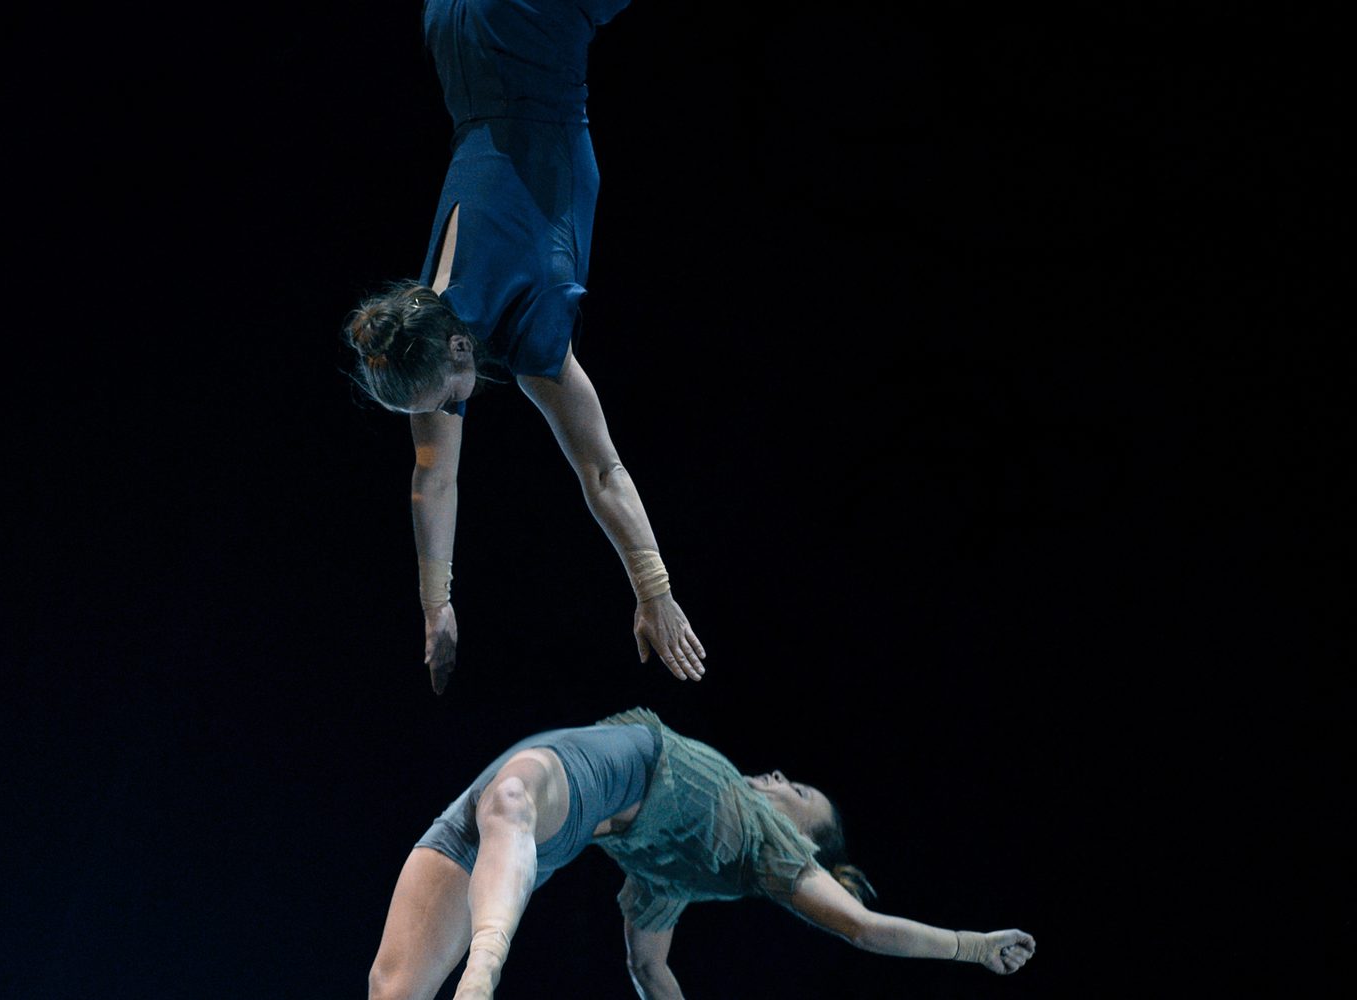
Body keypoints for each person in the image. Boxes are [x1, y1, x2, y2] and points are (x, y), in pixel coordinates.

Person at [343, 0, 705, 694]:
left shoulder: (528, 327)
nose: (450, 412)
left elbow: (601, 470)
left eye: (447, 400)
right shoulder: (422, 316)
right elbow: (431, 477)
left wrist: (653, 587)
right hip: (457, 36)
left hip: (528, 33)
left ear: (458, 351)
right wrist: (435, 605)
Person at [367, 708, 1037, 999]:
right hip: (564, 796)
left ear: (806, 840)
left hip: (571, 814)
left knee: (510, 799)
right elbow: (650, 970)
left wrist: (971, 947)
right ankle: (483, 965)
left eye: (797, 790)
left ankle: (483, 966)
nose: (777, 776)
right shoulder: (693, 864)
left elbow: (861, 926)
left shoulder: (768, 851)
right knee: (391, 990)